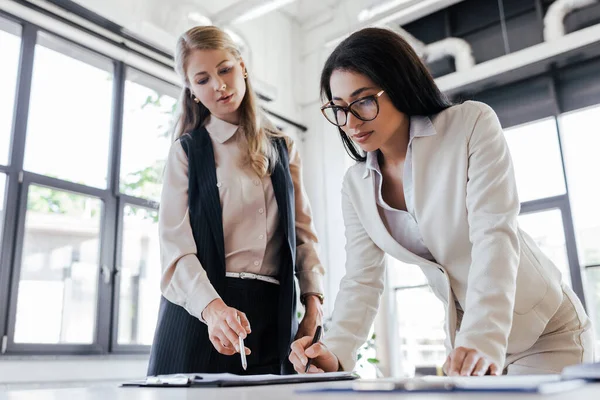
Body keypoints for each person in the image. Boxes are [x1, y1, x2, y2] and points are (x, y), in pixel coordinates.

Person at [289, 27, 594, 376]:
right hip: (468, 342)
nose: (351, 121)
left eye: (364, 101)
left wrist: (481, 337)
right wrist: (335, 352)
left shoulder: (470, 124)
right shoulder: (355, 186)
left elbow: (494, 235)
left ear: (399, 84)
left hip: (544, 332)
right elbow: (361, 280)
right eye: (339, 108)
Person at [148, 26, 325, 376]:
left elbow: (304, 236)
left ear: (242, 66)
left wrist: (313, 303)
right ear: (192, 90)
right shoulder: (186, 153)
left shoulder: (284, 148)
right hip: (201, 315)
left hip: (274, 317)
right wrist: (212, 309)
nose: (218, 85)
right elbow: (175, 250)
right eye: (202, 79)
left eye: (225, 69)